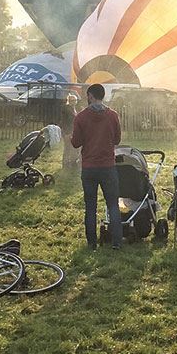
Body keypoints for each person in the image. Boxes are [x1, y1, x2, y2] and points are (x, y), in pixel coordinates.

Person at [71, 84, 123, 250]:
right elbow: (117, 140)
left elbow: (76, 143)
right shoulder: (113, 115)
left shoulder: (80, 117)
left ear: (91, 96)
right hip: (108, 166)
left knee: (90, 206)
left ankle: (92, 242)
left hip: (89, 167)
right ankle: (116, 242)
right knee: (113, 204)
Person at [61, 92, 81, 170]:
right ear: (69, 100)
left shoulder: (73, 108)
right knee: (67, 148)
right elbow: (64, 122)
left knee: (72, 148)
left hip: (72, 131)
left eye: (75, 100)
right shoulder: (66, 109)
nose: (74, 102)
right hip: (67, 132)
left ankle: (71, 163)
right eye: (72, 100)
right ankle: (65, 164)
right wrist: (66, 133)